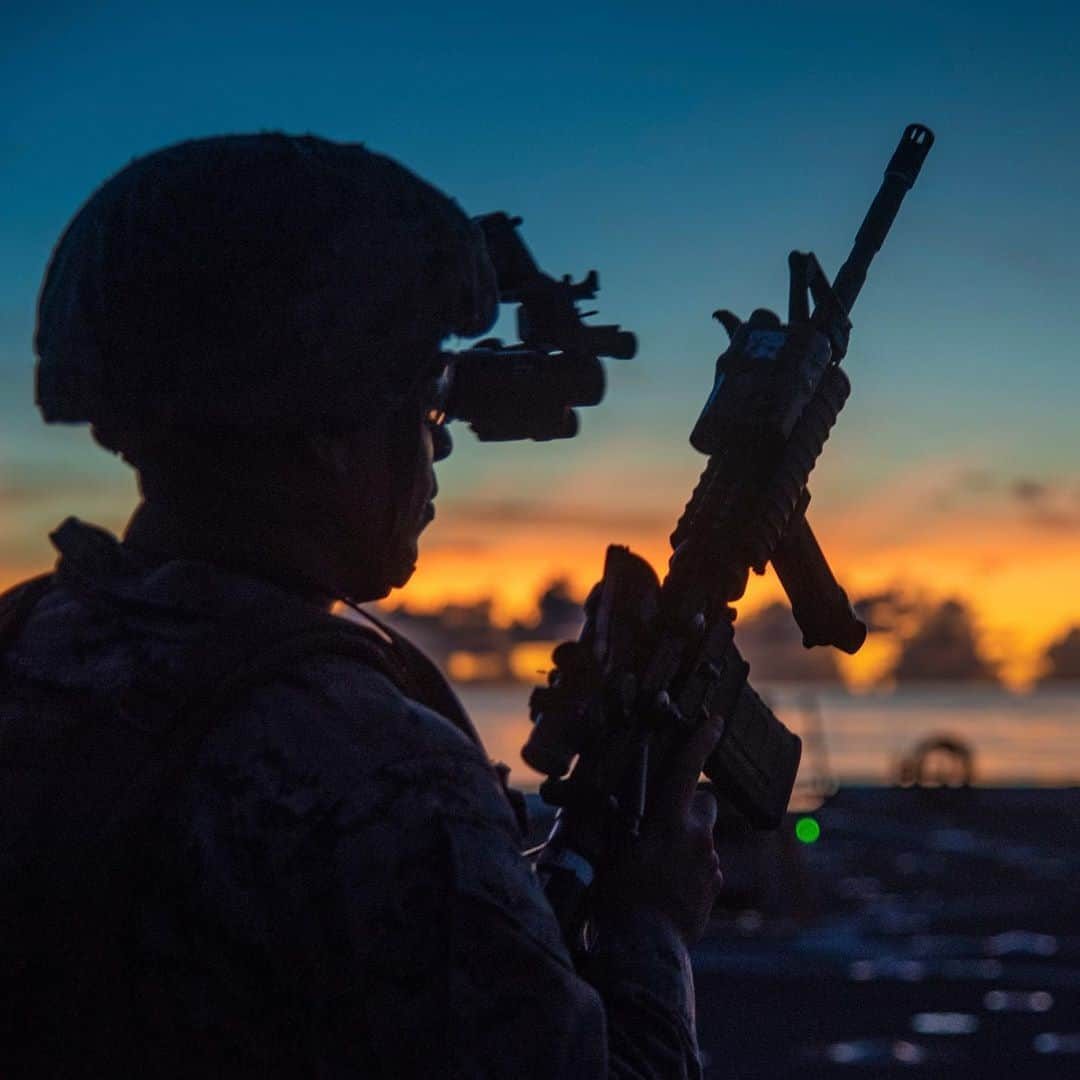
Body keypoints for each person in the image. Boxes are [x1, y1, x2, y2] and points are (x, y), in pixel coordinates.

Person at [0, 134, 724, 1077]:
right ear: (329, 437)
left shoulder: (27, 646)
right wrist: (651, 920)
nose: (440, 452)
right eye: (427, 409)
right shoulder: (382, 778)